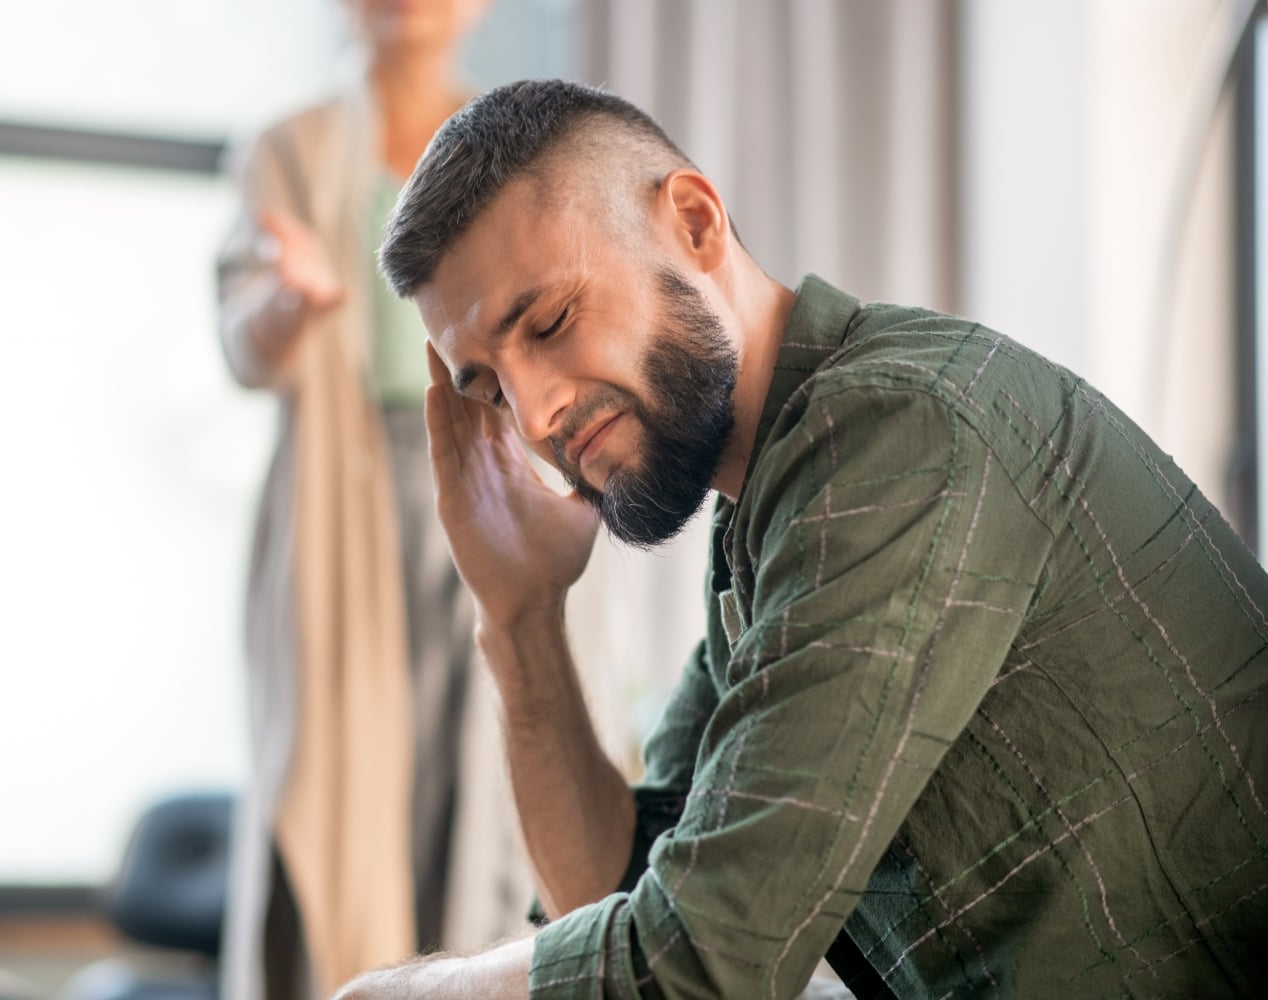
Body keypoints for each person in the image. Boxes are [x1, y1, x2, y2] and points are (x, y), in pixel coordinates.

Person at [331, 78, 1268, 998]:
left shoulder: (899, 435)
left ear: (695, 224)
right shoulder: (765, 515)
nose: (535, 416)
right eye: (489, 388)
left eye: (549, 322)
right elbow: (616, 890)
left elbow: (699, 964)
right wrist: (523, 617)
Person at [212, 3, 521, 999]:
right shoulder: (287, 146)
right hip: (338, 509)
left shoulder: (521, 137)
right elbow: (242, 345)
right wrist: (290, 299)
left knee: (474, 786)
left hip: (487, 472)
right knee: (336, 789)